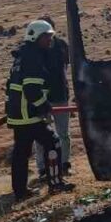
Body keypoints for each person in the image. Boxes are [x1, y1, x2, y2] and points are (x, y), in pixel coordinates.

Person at [5, 20, 72, 199]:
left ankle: (20, 192)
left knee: (21, 152)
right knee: (53, 142)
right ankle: (56, 184)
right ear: (35, 37)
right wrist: (45, 107)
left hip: (17, 113)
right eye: (47, 37)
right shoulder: (33, 58)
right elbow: (32, 90)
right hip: (28, 113)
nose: (50, 40)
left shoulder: (24, 54)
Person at [35, 16, 72, 181]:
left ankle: (64, 164)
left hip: (60, 95)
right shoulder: (36, 49)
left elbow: (68, 65)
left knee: (63, 133)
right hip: (42, 98)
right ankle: (43, 168)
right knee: (42, 135)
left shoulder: (62, 45)